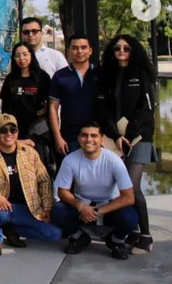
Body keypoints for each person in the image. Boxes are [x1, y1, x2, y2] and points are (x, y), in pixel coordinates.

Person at [0, 113, 61, 257]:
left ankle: (12, 230)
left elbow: (44, 180)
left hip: (26, 208)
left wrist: (47, 206)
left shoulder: (30, 153)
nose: (9, 134)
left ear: (18, 132)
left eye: (13, 130)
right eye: (3, 130)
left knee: (54, 234)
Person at [98, 34, 157, 254]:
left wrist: (130, 135)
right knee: (117, 186)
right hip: (114, 139)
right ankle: (128, 229)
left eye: (126, 48)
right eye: (117, 48)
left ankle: (145, 235)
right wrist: (115, 135)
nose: (121, 51)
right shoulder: (108, 76)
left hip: (139, 137)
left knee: (132, 186)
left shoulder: (142, 75)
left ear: (134, 51)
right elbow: (104, 109)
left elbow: (147, 109)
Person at [51, 122, 138, 260]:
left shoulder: (114, 160)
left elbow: (128, 197)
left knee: (131, 217)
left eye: (94, 135)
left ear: (102, 139)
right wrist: (80, 206)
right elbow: (62, 191)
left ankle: (116, 241)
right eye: (84, 135)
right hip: (82, 208)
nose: (89, 139)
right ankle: (78, 237)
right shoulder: (70, 160)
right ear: (79, 138)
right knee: (57, 210)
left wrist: (99, 211)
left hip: (108, 207)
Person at [0, 42, 54, 173]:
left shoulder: (42, 77)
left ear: (31, 55)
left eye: (25, 54)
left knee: (40, 167)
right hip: (16, 131)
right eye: (17, 55)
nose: (21, 58)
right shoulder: (10, 79)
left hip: (38, 131)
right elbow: (5, 108)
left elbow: (53, 101)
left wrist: (47, 107)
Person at [50, 34, 101, 157]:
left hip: (97, 137)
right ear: (69, 51)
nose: (79, 51)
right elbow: (53, 108)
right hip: (69, 138)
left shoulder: (100, 75)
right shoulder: (60, 76)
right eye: (75, 48)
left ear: (90, 50)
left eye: (83, 47)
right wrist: (58, 138)